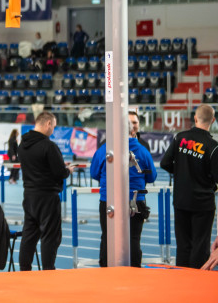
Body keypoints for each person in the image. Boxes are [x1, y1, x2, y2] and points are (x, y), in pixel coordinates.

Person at [90, 111, 156, 267]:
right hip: (136, 200)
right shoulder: (143, 151)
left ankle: (106, 270)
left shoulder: (105, 149)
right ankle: (133, 271)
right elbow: (152, 177)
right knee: (133, 238)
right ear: (132, 131)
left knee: (108, 237)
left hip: (109, 200)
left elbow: (94, 173)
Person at [159, 104, 218, 268]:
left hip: (181, 200)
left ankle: (181, 282)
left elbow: (165, 163)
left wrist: (180, 173)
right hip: (203, 203)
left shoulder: (180, 137)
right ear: (212, 120)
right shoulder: (213, 147)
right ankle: (197, 283)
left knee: (183, 246)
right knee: (200, 246)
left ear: (195, 118)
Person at [17, 111, 71, 270]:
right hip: (47, 197)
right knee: (50, 236)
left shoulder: (22, 145)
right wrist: (68, 170)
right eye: (53, 127)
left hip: (29, 196)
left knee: (29, 235)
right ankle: (48, 272)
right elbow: (60, 172)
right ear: (48, 124)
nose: (53, 130)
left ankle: (24, 270)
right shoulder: (48, 146)